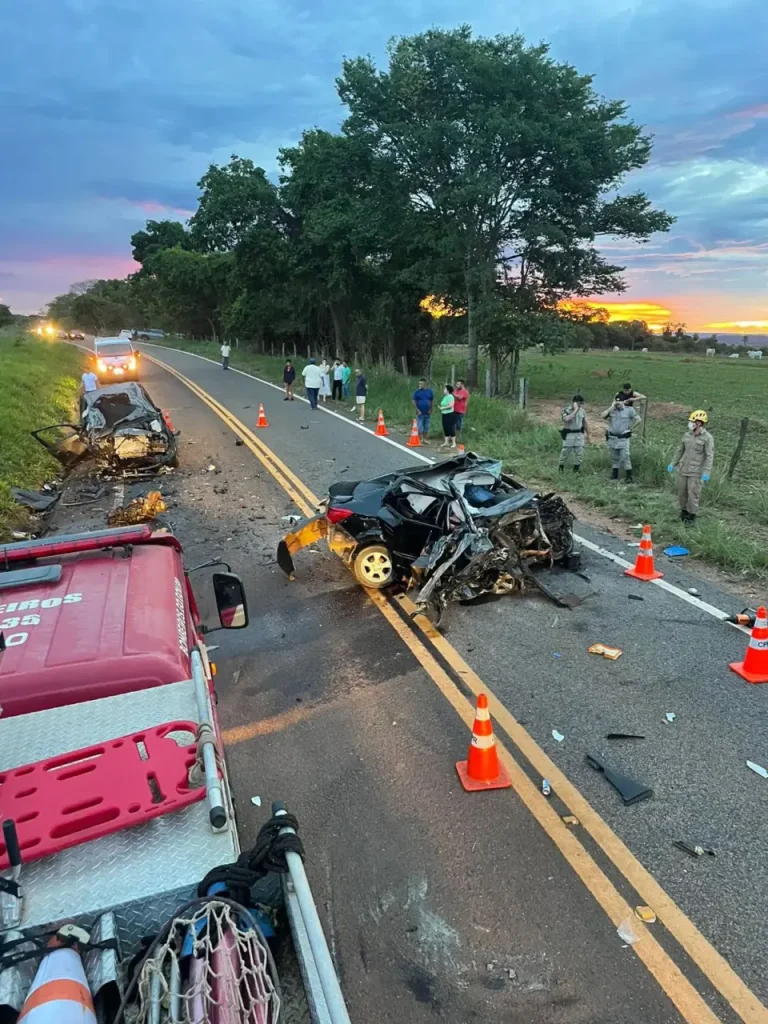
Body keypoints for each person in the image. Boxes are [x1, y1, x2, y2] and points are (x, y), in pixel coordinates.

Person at [667, 410, 714, 525]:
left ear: (699, 423)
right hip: (683, 470)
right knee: (681, 493)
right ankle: (683, 513)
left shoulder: (707, 438)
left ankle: (691, 516)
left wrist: (706, 472)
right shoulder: (687, 435)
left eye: (692, 421)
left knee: (693, 495)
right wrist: (673, 463)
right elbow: (680, 450)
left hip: (696, 472)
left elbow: (709, 456)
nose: (690, 423)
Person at [601, 395, 641, 482]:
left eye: (620, 401)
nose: (618, 403)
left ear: (623, 402)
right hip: (612, 438)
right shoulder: (612, 410)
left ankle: (628, 477)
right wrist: (611, 406)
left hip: (623, 438)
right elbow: (602, 416)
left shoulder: (629, 410)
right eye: (616, 401)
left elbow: (638, 420)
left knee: (625, 457)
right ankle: (614, 476)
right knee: (615, 457)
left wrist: (631, 429)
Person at [559, 394, 587, 473]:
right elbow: (567, 419)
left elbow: (584, 422)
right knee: (565, 452)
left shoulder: (582, 411)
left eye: (581, 404)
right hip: (569, 434)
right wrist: (575, 410)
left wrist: (589, 434)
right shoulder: (566, 410)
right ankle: (561, 467)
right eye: (579, 403)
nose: (580, 405)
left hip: (579, 434)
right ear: (575, 402)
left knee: (580, 453)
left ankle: (576, 469)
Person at [412, 377, 434, 444]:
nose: (420, 385)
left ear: (425, 384)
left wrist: (431, 409)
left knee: (426, 426)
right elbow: (413, 401)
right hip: (420, 412)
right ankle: (420, 438)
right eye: (419, 384)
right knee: (420, 426)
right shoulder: (416, 392)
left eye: (421, 384)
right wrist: (417, 409)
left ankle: (425, 439)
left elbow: (431, 400)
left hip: (427, 412)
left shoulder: (430, 391)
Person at [440, 384, 457, 449]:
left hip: (449, 414)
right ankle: (446, 442)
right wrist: (441, 407)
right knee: (445, 427)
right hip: (444, 414)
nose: (444, 390)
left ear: (448, 390)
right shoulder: (445, 397)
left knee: (450, 428)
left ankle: (454, 443)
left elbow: (451, 405)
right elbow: (444, 404)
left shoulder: (450, 396)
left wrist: (443, 408)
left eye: (445, 389)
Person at [452, 379, 469, 443]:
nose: (457, 385)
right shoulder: (455, 390)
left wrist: (452, 393)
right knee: (452, 424)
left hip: (460, 411)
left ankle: (458, 437)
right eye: (456, 384)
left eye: (458, 384)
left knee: (458, 424)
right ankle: (453, 437)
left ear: (462, 384)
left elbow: (459, 397)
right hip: (454, 409)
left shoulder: (464, 391)